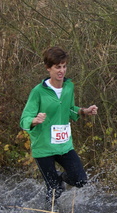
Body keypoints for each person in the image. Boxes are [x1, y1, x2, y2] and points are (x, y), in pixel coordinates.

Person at [20, 46, 98, 204]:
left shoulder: (69, 87)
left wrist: (85, 111)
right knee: (54, 189)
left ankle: (60, 177)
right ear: (48, 68)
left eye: (64, 66)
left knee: (80, 180)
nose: (61, 71)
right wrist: (34, 120)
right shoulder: (38, 92)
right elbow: (24, 119)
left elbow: (69, 110)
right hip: (44, 147)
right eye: (57, 67)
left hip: (64, 145)